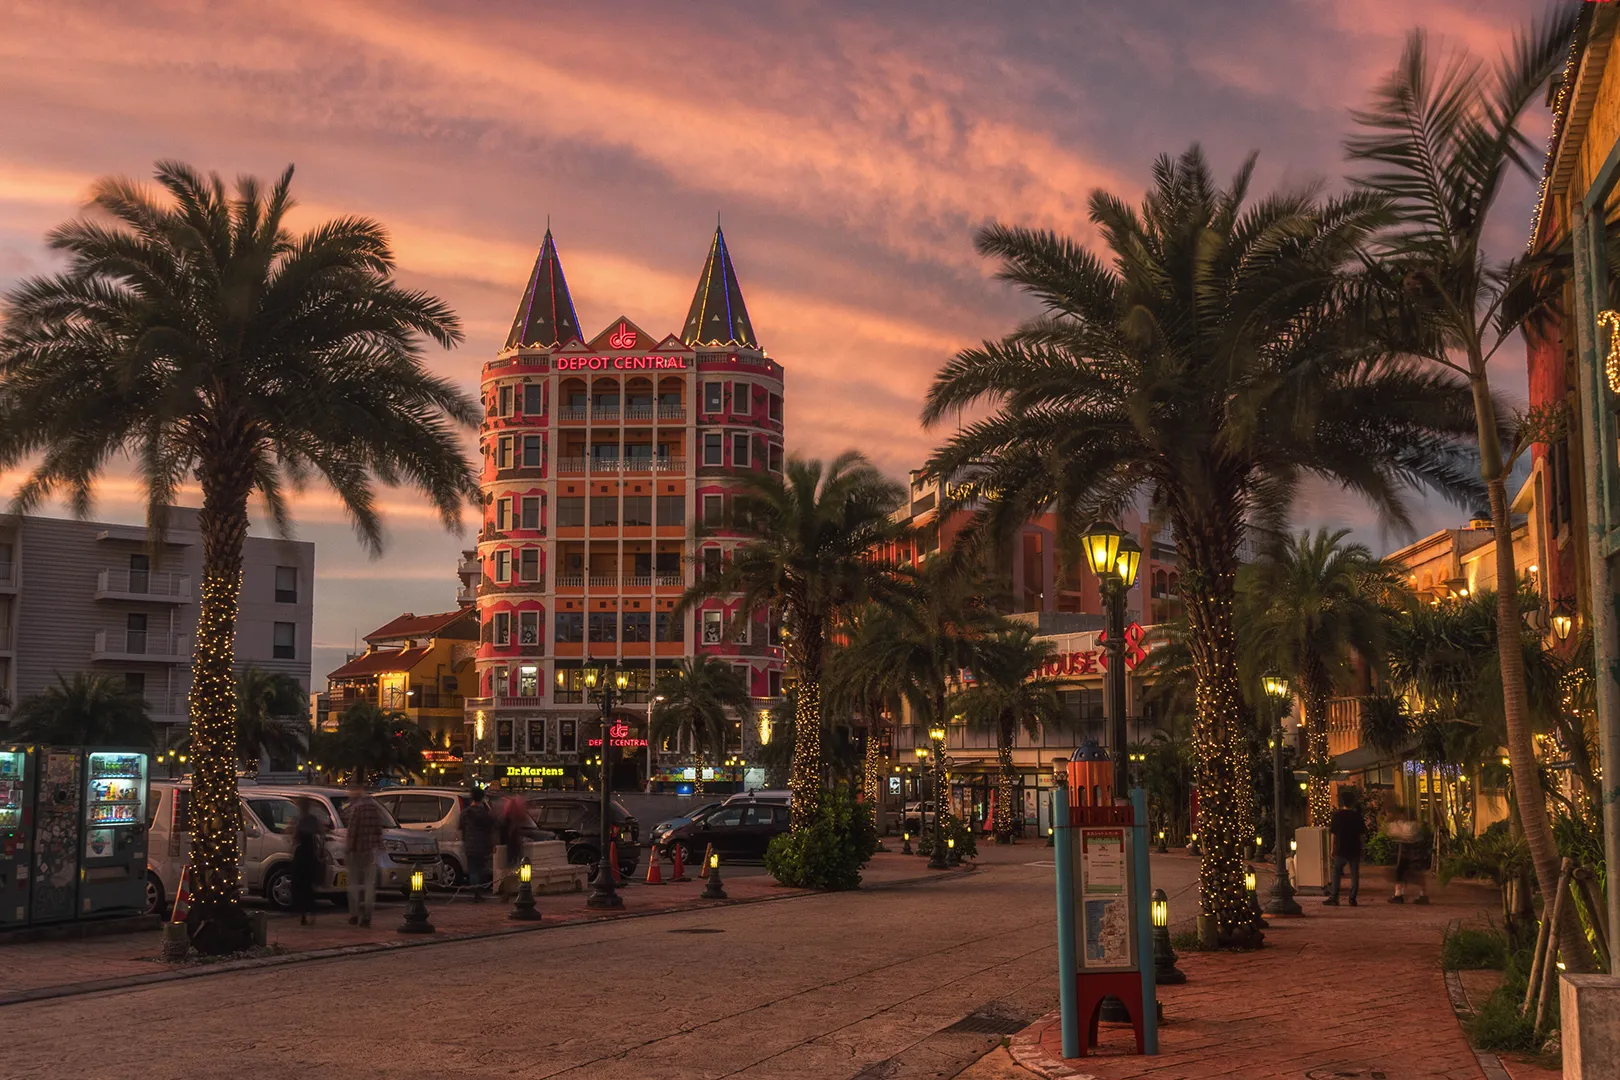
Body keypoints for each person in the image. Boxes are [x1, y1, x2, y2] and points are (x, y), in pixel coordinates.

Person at [342, 783, 387, 927]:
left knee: (354, 883)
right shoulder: (374, 808)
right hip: (371, 850)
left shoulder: (356, 808)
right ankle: (367, 915)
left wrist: (348, 849)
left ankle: (354, 914)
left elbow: (352, 831)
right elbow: (378, 830)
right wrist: (379, 846)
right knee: (369, 884)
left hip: (357, 850)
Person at [1324, 789, 1365, 907]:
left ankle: (1334, 897)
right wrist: (1362, 848)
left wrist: (1332, 848)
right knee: (1354, 873)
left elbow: (1333, 834)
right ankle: (1352, 898)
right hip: (1354, 847)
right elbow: (1361, 834)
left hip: (1341, 848)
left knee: (1336, 872)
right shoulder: (1357, 816)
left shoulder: (1337, 815)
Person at [291, 796, 326, 926]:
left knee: (300, 885)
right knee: (309, 886)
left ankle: (303, 914)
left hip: (301, 854)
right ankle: (311, 912)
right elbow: (322, 833)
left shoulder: (299, 820)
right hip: (310, 854)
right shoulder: (313, 820)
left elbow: (294, 837)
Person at [1388, 806, 1430, 905]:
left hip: (1407, 850)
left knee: (1402, 872)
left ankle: (1399, 895)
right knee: (1414, 873)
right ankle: (1421, 894)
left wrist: (1398, 831)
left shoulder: (1410, 825)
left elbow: (1405, 835)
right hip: (1413, 850)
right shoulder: (1413, 824)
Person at [461, 787, 496, 901]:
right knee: (481, 868)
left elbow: (461, 826)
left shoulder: (466, 812)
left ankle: (475, 892)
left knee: (472, 869)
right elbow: (493, 824)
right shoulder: (484, 813)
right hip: (482, 844)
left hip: (470, 843)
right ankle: (479, 892)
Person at [500, 793, 531, 884]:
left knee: (510, 866)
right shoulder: (515, 822)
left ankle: (508, 889)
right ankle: (517, 886)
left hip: (510, 844)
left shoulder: (506, 820)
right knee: (517, 865)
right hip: (514, 843)